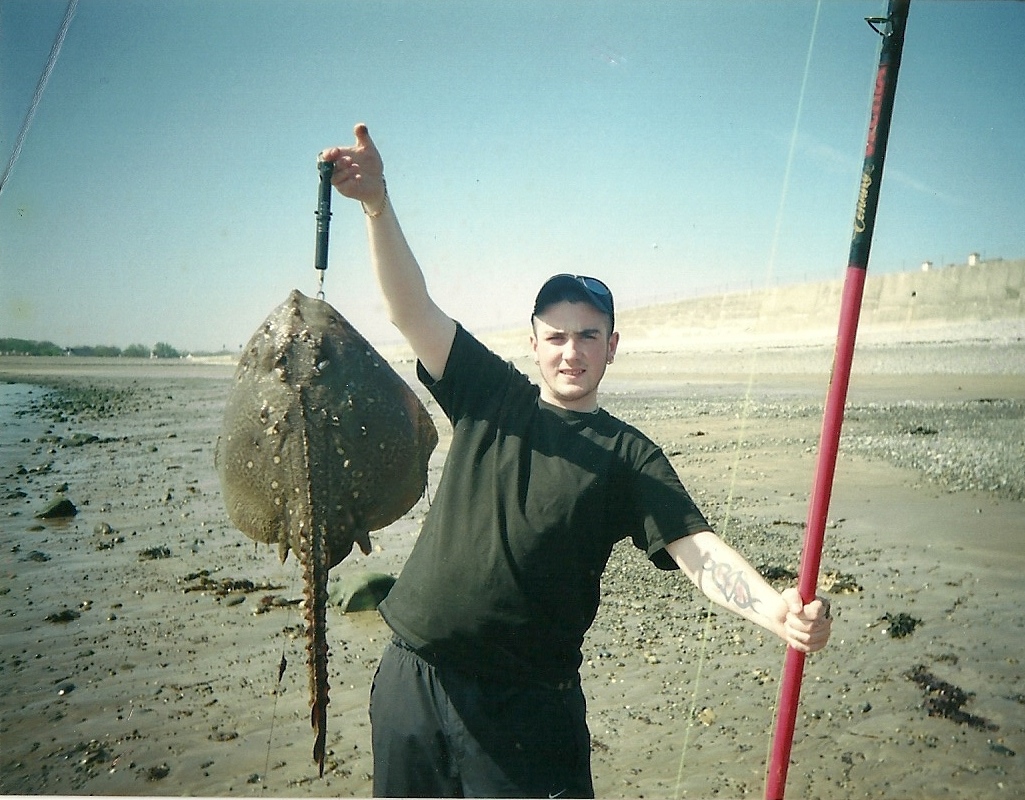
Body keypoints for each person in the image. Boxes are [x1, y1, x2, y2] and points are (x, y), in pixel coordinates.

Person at [320, 123, 832, 799]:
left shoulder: (628, 455)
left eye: (589, 335)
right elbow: (410, 308)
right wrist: (377, 205)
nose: (572, 351)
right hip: (412, 683)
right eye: (557, 336)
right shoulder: (490, 395)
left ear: (612, 345)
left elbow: (697, 552)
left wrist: (778, 612)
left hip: (527, 708)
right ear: (534, 343)